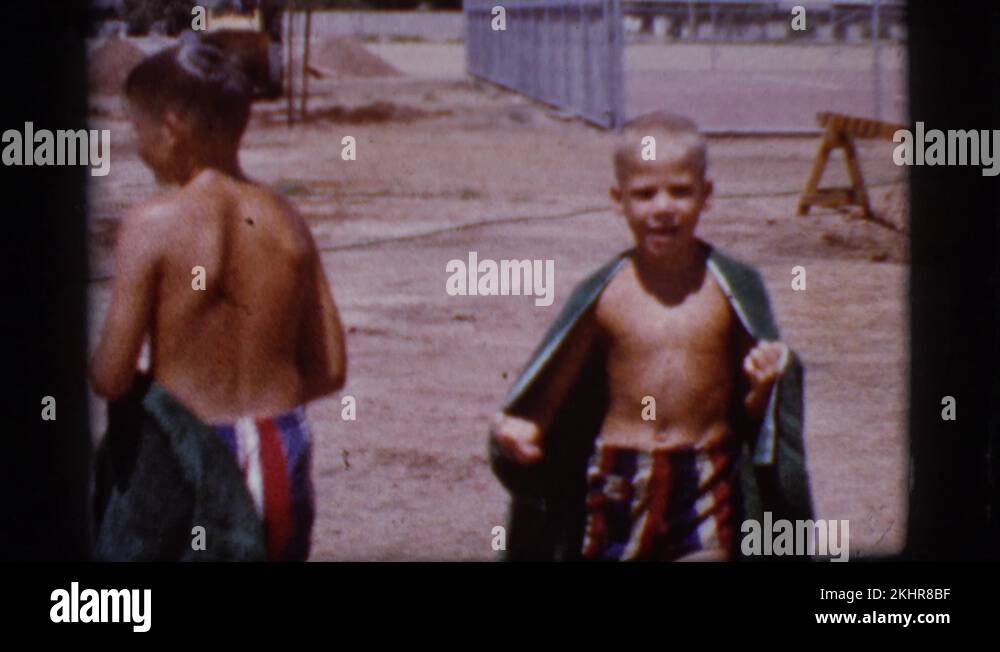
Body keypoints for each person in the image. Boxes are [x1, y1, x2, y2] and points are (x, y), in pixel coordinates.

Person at [489, 112, 812, 561]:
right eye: (644, 194)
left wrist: (766, 385)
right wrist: (527, 426)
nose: (663, 206)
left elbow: (757, 412)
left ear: (707, 195)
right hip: (618, 479)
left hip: (704, 476)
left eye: (680, 191)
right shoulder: (606, 294)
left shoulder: (732, 288)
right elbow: (551, 390)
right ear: (618, 200)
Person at [90, 39, 346, 561]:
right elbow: (331, 369)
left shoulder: (151, 225)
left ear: (172, 124)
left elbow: (112, 377)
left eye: (138, 128)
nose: (137, 146)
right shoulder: (286, 220)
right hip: (277, 451)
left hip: (185, 459)